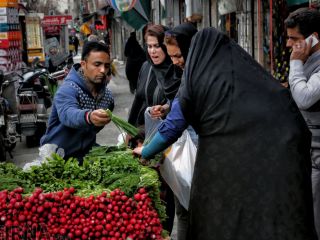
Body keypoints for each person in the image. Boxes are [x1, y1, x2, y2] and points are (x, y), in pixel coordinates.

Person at [134, 27, 317, 239]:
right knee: (266, 213)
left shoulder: (197, 79)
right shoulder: (244, 71)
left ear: (192, 51)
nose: (176, 62)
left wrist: (146, 151)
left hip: (234, 161)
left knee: (226, 216)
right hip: (276, 153)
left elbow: (174, 124)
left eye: (178, 55)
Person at [127, 24, 176, 235]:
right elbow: (138, 99)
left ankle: (165, 231)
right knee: (146, 193)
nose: (153, 51)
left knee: (166, 193)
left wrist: (165, 110)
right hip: (143, 138)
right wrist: (128, 130)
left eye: (157, 46)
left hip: (169, 141)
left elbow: (180, 104)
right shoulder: (146, 69)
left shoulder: (176, 71)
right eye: (149, 46)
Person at [40, 41, 114, 162]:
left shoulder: (107, 97)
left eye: (106, 66)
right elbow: (68, 114)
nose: (102, 70)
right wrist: (88, 117)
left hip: (85, 156)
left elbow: (96, 128)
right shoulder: (68, 89)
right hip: (57, 157)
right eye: (97, 64)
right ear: (83, 64)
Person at [285, 7, 320, 238]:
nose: (289, 45)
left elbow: (305, 97)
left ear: (313, 37)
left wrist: (295, 63)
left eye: (294, 39)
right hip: (306, 152)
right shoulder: (308, 60)